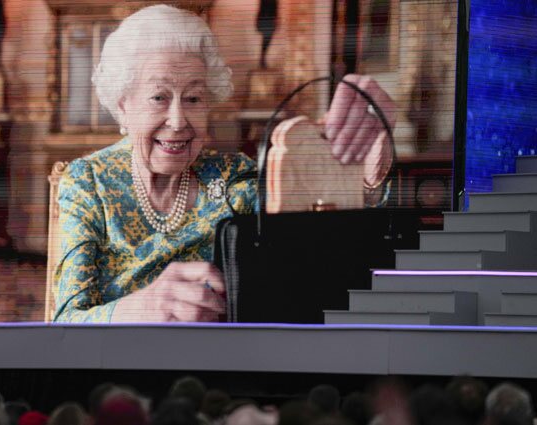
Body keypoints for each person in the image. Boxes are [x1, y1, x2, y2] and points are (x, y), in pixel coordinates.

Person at [54, 4, 395, 323]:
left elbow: (318, 236)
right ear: (123, 105)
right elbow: (66, 323)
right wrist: (143, 306)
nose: (178, 120)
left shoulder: (234, 178)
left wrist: (361, 171)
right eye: (159, 97)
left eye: (194, 98)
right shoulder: (89, 182)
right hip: (120, 368)